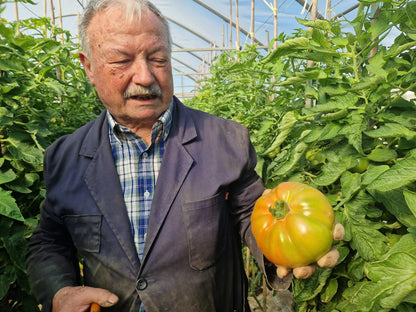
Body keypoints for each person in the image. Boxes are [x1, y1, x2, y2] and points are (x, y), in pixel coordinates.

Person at [26, 1, 342, 311]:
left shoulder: (224, 140)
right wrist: (59, 291)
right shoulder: (65, 157)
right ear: (89, 66)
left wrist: (285, 250)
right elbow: (50, 241)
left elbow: (251, 213)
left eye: (158, 58)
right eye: (122, 60)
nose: (145, 77)